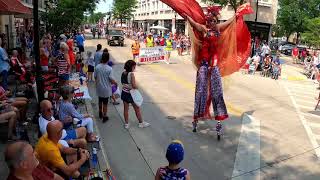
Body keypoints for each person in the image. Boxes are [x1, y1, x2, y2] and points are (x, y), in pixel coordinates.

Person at [176, 2, 253, 139]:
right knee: (200, 91)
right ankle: (196, 117)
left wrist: (236, 15)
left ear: (216, 20)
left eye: (214, 20)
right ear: (207, 20)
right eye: (209, 19)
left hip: (215, 64)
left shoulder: (218, 28)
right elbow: (193, 23)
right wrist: (187, 16)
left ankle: (219, 120)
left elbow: (230, 23)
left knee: (217, 92)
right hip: (204, 65)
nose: (211, 22)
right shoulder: (203, 29)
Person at [121, 60, 150, 129]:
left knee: (126, 109)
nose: (135, 68)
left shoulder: (123, 73)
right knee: (137, 109)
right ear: (132, 67)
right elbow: (134, 86)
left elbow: (122, 83)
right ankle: (141, 123)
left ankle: (127, 124)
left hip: (124, 92)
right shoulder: (131, 74)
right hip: (131, 94)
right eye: (134, 67)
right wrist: (137, 87)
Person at [95, 52, 118, 123]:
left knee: (100, 100)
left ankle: (100, 112)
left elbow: (95, 77)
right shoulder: (109, 69)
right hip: (106, 89)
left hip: (99, 87)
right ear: (108, 59)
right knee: (105, 103)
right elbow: (111, 79)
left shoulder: (97, 67)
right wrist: (115, 83)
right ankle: (105, 116)